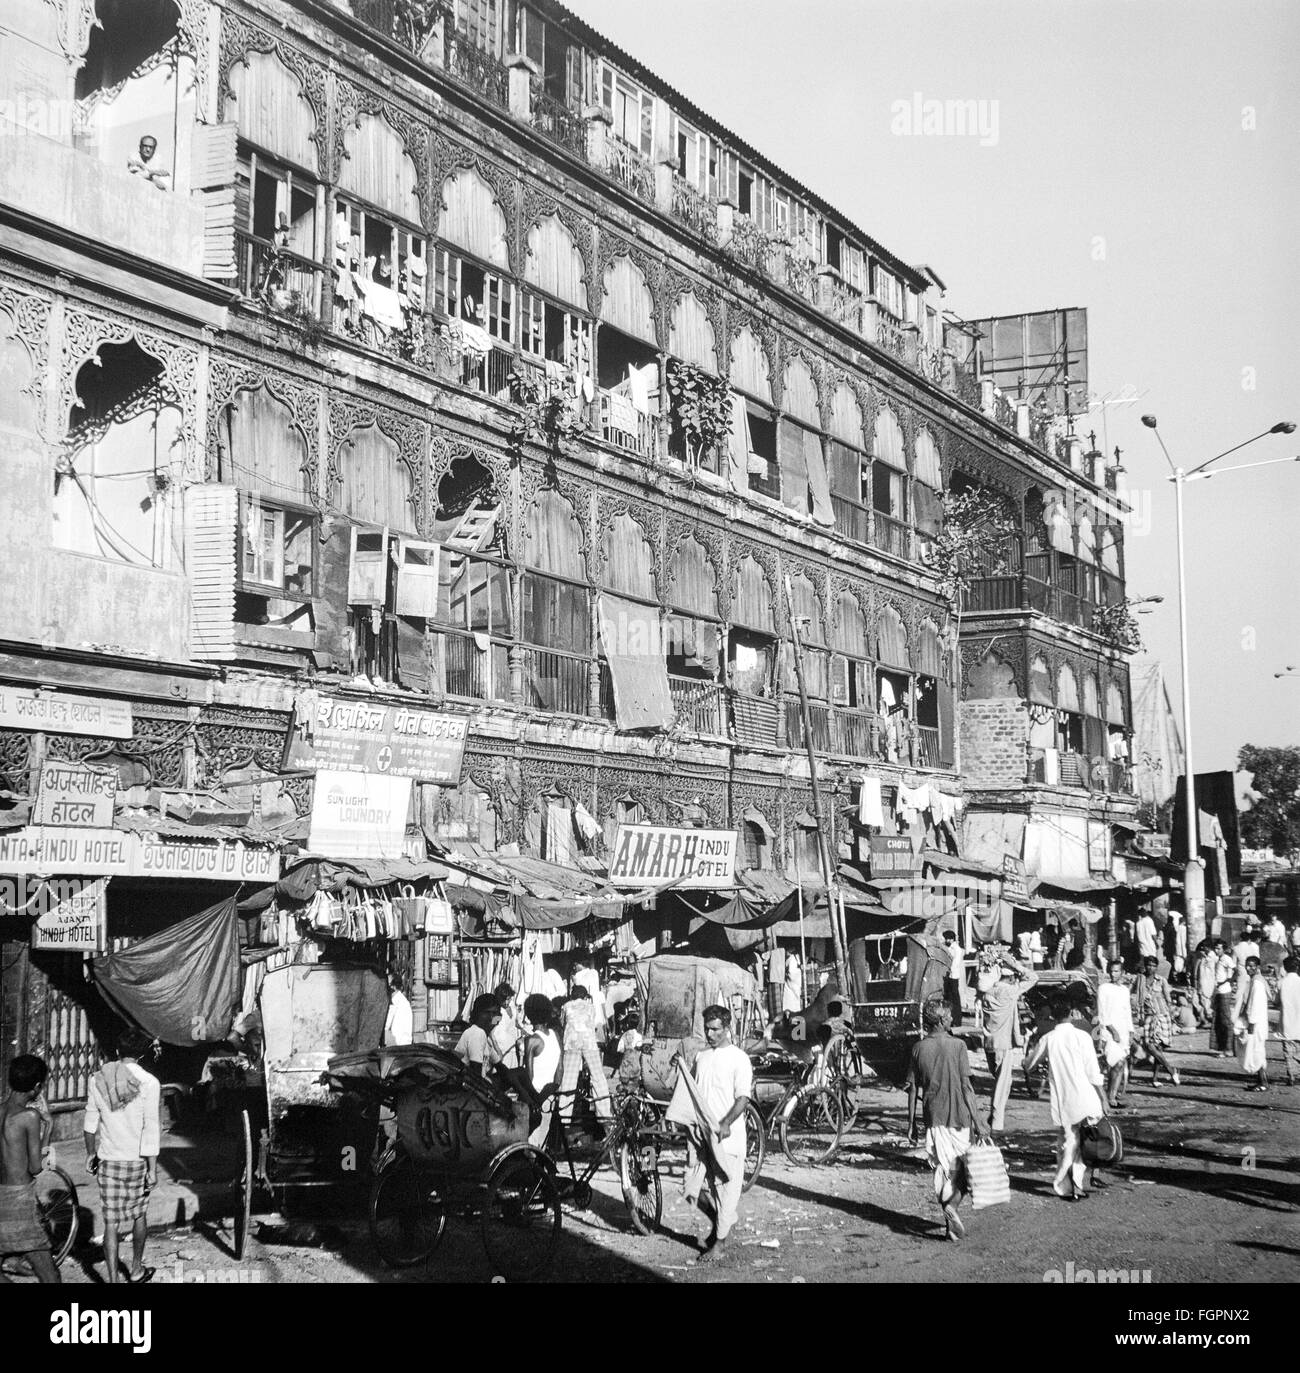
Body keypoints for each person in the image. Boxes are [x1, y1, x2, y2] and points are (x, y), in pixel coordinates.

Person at [674, 1005, 752, 1264]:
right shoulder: (702, 1057)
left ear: (727, 1028)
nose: (710, 1033)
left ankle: (720, 1242)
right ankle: (722, 1221)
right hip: (703, 1136)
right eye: (707, 1028)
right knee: (690, 1187)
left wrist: (727, 1122)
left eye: (715, 1029)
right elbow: (693, 1091)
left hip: (728, 1137)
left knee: (727, 1191)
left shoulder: (739, 1058)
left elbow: (743, 1098)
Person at [906, 1001, 990, 1241]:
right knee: (964, 1172)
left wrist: (910, 1123)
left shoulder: (918, 1048)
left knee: (944, 1170)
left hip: (933, 1117)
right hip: (959, 1117)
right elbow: (966, 1087)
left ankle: (948, 1227)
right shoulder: (958, 1046)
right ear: (941, 1021)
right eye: (950, 1016)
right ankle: (950, 1208)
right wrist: (979, 1120)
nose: (953, 1019)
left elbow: (913, 1089)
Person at [84, 1029, 161, 1284]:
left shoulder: (99, 1079)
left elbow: (90, 1123)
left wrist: (90, 1154)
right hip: (137, 1161)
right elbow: (151, 1127)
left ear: (117, 1052)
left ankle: (113, 1281)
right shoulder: (150, 1082)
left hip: (109, 1160)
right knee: (139, 1214)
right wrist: (152, 1168)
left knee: (110, 1222)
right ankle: (137, 1270)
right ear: (141, 1054)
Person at [1025, 996, 1107, 1201]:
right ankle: (1075, 1184)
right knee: (1081, 1144)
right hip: (1088, 1097)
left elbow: (1029, 1065)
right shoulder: (1083, 1037)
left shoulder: (1048, 1039)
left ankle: (1066, 1184)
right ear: (1072, 1013)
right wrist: (1104, 1098)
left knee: (1068, 1143)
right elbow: (1093, 1072)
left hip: (1064, 1100)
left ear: (1053, 1016)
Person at [0, 1055, 59, 1284]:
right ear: (36, 1088)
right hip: (19, 1200)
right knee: (50, 1276)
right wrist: (49, 1126)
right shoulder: (29, 1117)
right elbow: (36, 1167)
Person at [980, 950, 1038, 1132]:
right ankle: (996, 1122)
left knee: (1002, 1082)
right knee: (1002, 1084)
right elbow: (1032, 977)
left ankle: (994, 1117)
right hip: (1003, 1044)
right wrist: (1015, 964)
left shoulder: (987, 993)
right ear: (1012, 977)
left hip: (989, 1043)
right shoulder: (1010, 992)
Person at [557, 986, 612, 1131]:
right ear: (585, 996)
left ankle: (564, 1117)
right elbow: (592, 1023)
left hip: (571, 1043)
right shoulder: (591, 1007)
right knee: (598, 1077)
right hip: (589, 1043)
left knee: (568, 1079)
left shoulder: (566, 1006)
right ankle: (605, 1114)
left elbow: (563, 1024)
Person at [1131, 956, 1181, 1087]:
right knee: (1148, 1045)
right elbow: (1134, 995)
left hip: (1161, 1015)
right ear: (1145, 966)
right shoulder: (1140, 979)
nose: (1151, 968)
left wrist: (1172, 1018)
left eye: (1153, 965)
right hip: (1147, 1015)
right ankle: (1171, 1069)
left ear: (1156, 967)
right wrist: (1138, 1014)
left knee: (1158, 1047)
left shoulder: (1162, 981)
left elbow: (1168, 999)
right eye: (1149, 965)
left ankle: (1155, 1078)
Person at [521, 994, 562, 1148]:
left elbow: (528, 1075)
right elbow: (560, 1068)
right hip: (550, 1096)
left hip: (534, 1096)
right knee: (542, 1141)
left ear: (530, 1014)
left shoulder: (532, 1040)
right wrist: (554, 1090)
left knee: (530, 1142)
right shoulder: (555, 1035)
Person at [1095, 959, 1133, 1109]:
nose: (1113, 974)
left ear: (1122, 973)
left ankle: (1112, 1096)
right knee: (1114, 1063)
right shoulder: (1103, 988)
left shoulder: (1124, 990)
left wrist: (1130, 1031)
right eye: (1111, 971)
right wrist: (1113, 1031)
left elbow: (1127, 1011)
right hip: (1109, 1031)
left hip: (1123, 1030)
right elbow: (1102, 1013)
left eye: (1116, 971)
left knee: (1121, 1063)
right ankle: (1108, 1097)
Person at [1235, 956, 1270, 1093]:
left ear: (1258, 967)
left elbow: (1256, 1005)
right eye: (1247, 966)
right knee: (1257, 1053)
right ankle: (1261, 1080)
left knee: (1257, 1053)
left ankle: (1263, 1082)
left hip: (1256, 1023)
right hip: (1255, 1022)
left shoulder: (1257, 983)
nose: (1249, 968)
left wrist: (1251, 1024)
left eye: (1252, 966)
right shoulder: (1254, 981)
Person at [453, 994, 503, 1077]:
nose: (491, 1018)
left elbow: (501, 1067)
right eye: (487, 1013)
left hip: (475, 1081)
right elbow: (475, 1074)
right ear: (477, 1015)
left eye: (494, 1014)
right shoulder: (477, 1033)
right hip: (467, 1084)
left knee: (519, 1072)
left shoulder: (485, 1037)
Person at [571, 955, 606, 1041]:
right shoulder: (594, 972)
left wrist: (573, 980)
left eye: (575, 965)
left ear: (580, 964)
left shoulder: (578, 976)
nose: (574, 968)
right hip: (596, 1009)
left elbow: (579, 990)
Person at [489, 982, 521, 1069]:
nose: (507, 1002)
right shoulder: (497, 1013)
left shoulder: (512, 1008)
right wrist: (498, 1051)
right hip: (502, 1051)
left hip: (512, 1049)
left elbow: (515, 1024)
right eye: (504, 1000)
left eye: (509, 999)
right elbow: (491, 1034)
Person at [1279, 956, 1300, 1087]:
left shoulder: (1281, 982)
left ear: (1285, 968)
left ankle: (1292, 1075)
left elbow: (1275, 1001)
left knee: (1288, 1051)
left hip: (1287, 1020)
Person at [941, 929, 965, 1027]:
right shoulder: (948, 947)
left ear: (951, 939)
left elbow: (955, 963)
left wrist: (948, 970)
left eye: (947, 939)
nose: (946, 941)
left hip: (953, 976)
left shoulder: (957, 949)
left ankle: (957, 1019)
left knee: (955, 998)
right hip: (948, 976)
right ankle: (949, 1019)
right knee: (948, 997)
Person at [383, 971, 413, 1047]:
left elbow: (388, 1026)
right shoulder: (394, 1001)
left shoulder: (400, 1004)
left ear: (393, 987)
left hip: (397, 1047)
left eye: (387, 984)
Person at [1193, 939, 1217, 1028]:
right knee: (1202, 1001)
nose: (1204, 949)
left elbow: (1209, 963)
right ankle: (1205, 1019)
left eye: (1205, 947)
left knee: (1206, 1001)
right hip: (1204, 981)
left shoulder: (1211, 956)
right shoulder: (1206, 956)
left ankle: (1210, 1020)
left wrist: (1203, 957)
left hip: (1207, 982)